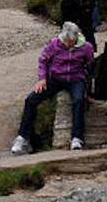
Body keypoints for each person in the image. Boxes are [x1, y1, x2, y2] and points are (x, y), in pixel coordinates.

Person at [10, 21, 95, 154]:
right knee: (31, 99)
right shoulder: (54, 44)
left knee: (78, 101)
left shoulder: (86, 47)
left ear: (76, 38)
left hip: (75, 79)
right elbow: (43, 60)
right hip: (55, 78)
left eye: (70, 41)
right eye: (65, 40)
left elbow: (90, 66)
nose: (67, 44)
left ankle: (77, 138)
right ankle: (22, 137)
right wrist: (42, 78)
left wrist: (88, 90)